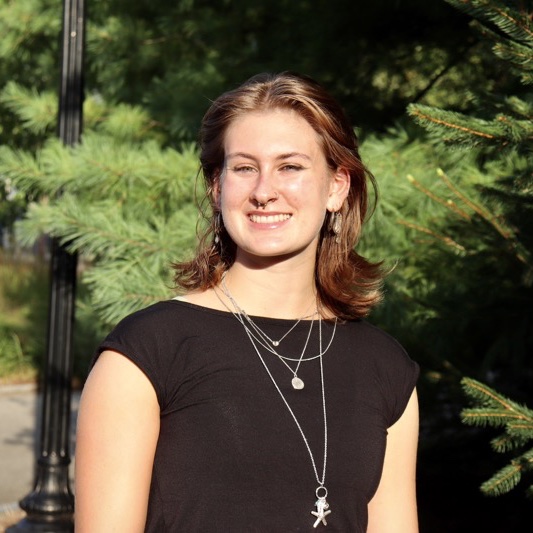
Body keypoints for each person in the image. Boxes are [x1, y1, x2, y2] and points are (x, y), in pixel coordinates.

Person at [74, 71, 419, 532]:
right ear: (217, 188)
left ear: (337, 186)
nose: (263, 191)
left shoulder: (385, 368)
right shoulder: (147, 353)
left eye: (290, 167)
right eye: (244, 167)